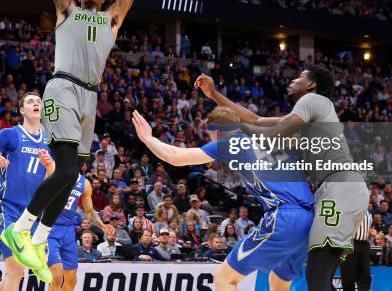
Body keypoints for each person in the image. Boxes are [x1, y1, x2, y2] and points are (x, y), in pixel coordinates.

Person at [5, 0, 145, 274]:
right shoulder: (67, 10)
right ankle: (19, 230)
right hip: (62, 87)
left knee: (71, 176)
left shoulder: (113, 18)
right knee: (66, 166)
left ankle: (38, 240)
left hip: (90, 96)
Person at [196, 68, 369, 291]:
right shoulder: (308, 115)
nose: (292, 80)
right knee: (317, 275)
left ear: (310, 85)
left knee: (318, 275)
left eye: (299, 77)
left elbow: (271, 132)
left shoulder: (313, 100)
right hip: (332, 189)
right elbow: (256, 118)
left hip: (341, 186)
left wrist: (233, 130)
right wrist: (213, 95)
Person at [132, 106, 314, 291]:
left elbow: (175, 156)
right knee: (279, 282)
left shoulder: (231, 141)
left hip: (284, 217)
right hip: (309, 219)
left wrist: (148, 138)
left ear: (216, 132)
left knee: (224, 279)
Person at [0, 93, 55, 286]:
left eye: (39, 102)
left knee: (17, 273)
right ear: (22, 110)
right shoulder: (9, 134)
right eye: (31, 102)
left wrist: (50, 168)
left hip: (31, 212)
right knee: (15, 268)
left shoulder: (50, 141)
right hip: (7, 208)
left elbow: (51, 182)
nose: (36, 104)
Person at [47, 175, 114, 291]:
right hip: (50, 228)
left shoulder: (84, 183)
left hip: (68, 231)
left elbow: (89, 211)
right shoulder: (52, 171)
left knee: (72, 280)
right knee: (56, 276)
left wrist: (102, 225)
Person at [340, 212, 372, 291]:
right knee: (348, 276)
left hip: (364, 244)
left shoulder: (369, 213)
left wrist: (370, 233)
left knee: (365, 275)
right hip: (349, 243)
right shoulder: (350, 209)